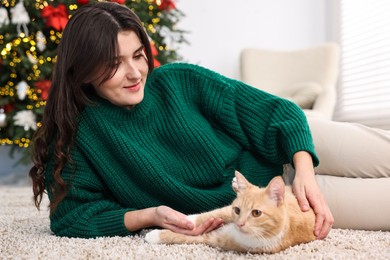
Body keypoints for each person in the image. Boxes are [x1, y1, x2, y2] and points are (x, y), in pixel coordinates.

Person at [29, 2, 333, 239]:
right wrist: (149, 215)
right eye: (114, 64)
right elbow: (71, 216)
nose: (135, 73)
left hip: (292, 152)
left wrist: (305, 171)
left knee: (379, 156)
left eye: (138, 55)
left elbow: (280, 113)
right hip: (256, 209)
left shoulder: (180, 80)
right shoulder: (82, 132)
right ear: (83, 72)